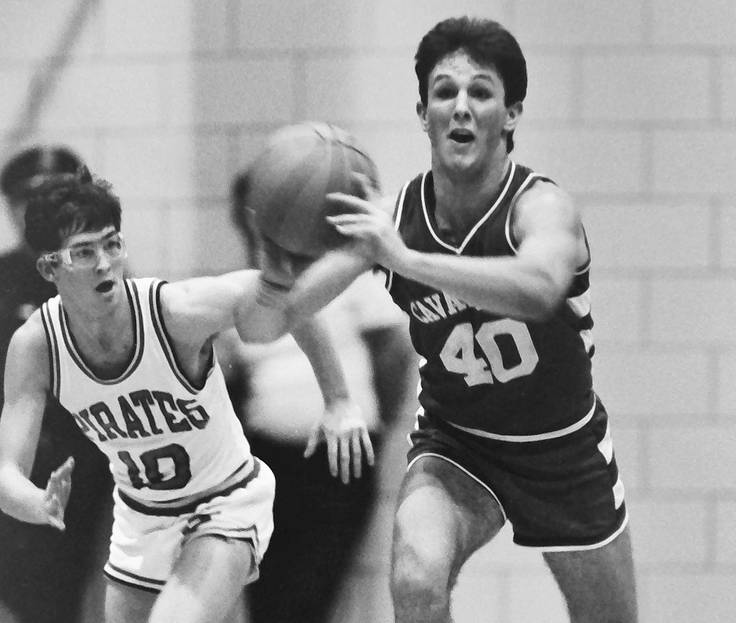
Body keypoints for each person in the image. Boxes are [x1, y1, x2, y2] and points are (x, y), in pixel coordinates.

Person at [260, 16, 638, 623]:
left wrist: (407, 261)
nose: (461, 106)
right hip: (457, 444)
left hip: (561, 448)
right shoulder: (392, 220)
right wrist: (280, 262)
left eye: (480, 92)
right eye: (445, 92)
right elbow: (282, 312)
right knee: (415, 581)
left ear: (510, 115)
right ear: (423, 113)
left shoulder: (541, 207)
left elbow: (539, 289)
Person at [0, 168, 372, 623]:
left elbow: (283, 299)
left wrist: (338, 399)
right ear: (48, 268)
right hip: (143, 517)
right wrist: (35, 502)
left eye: (112, 244)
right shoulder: (36, 346)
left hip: (224, 500)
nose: (104, 263)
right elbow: (6, 471)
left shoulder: (173, 312)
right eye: (84, 251)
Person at [219, 173, 415, 623]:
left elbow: (394, 352)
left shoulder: (345, 274)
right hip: (266, 459)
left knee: (309, 596)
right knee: (267, 600)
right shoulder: (242, 289)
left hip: (338, 459)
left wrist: (371, 420)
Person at [0, 145, 113, 623]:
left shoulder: (103, 277)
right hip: (21, 454)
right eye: (24, 201)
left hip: (94, 461)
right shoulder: (3, 280)